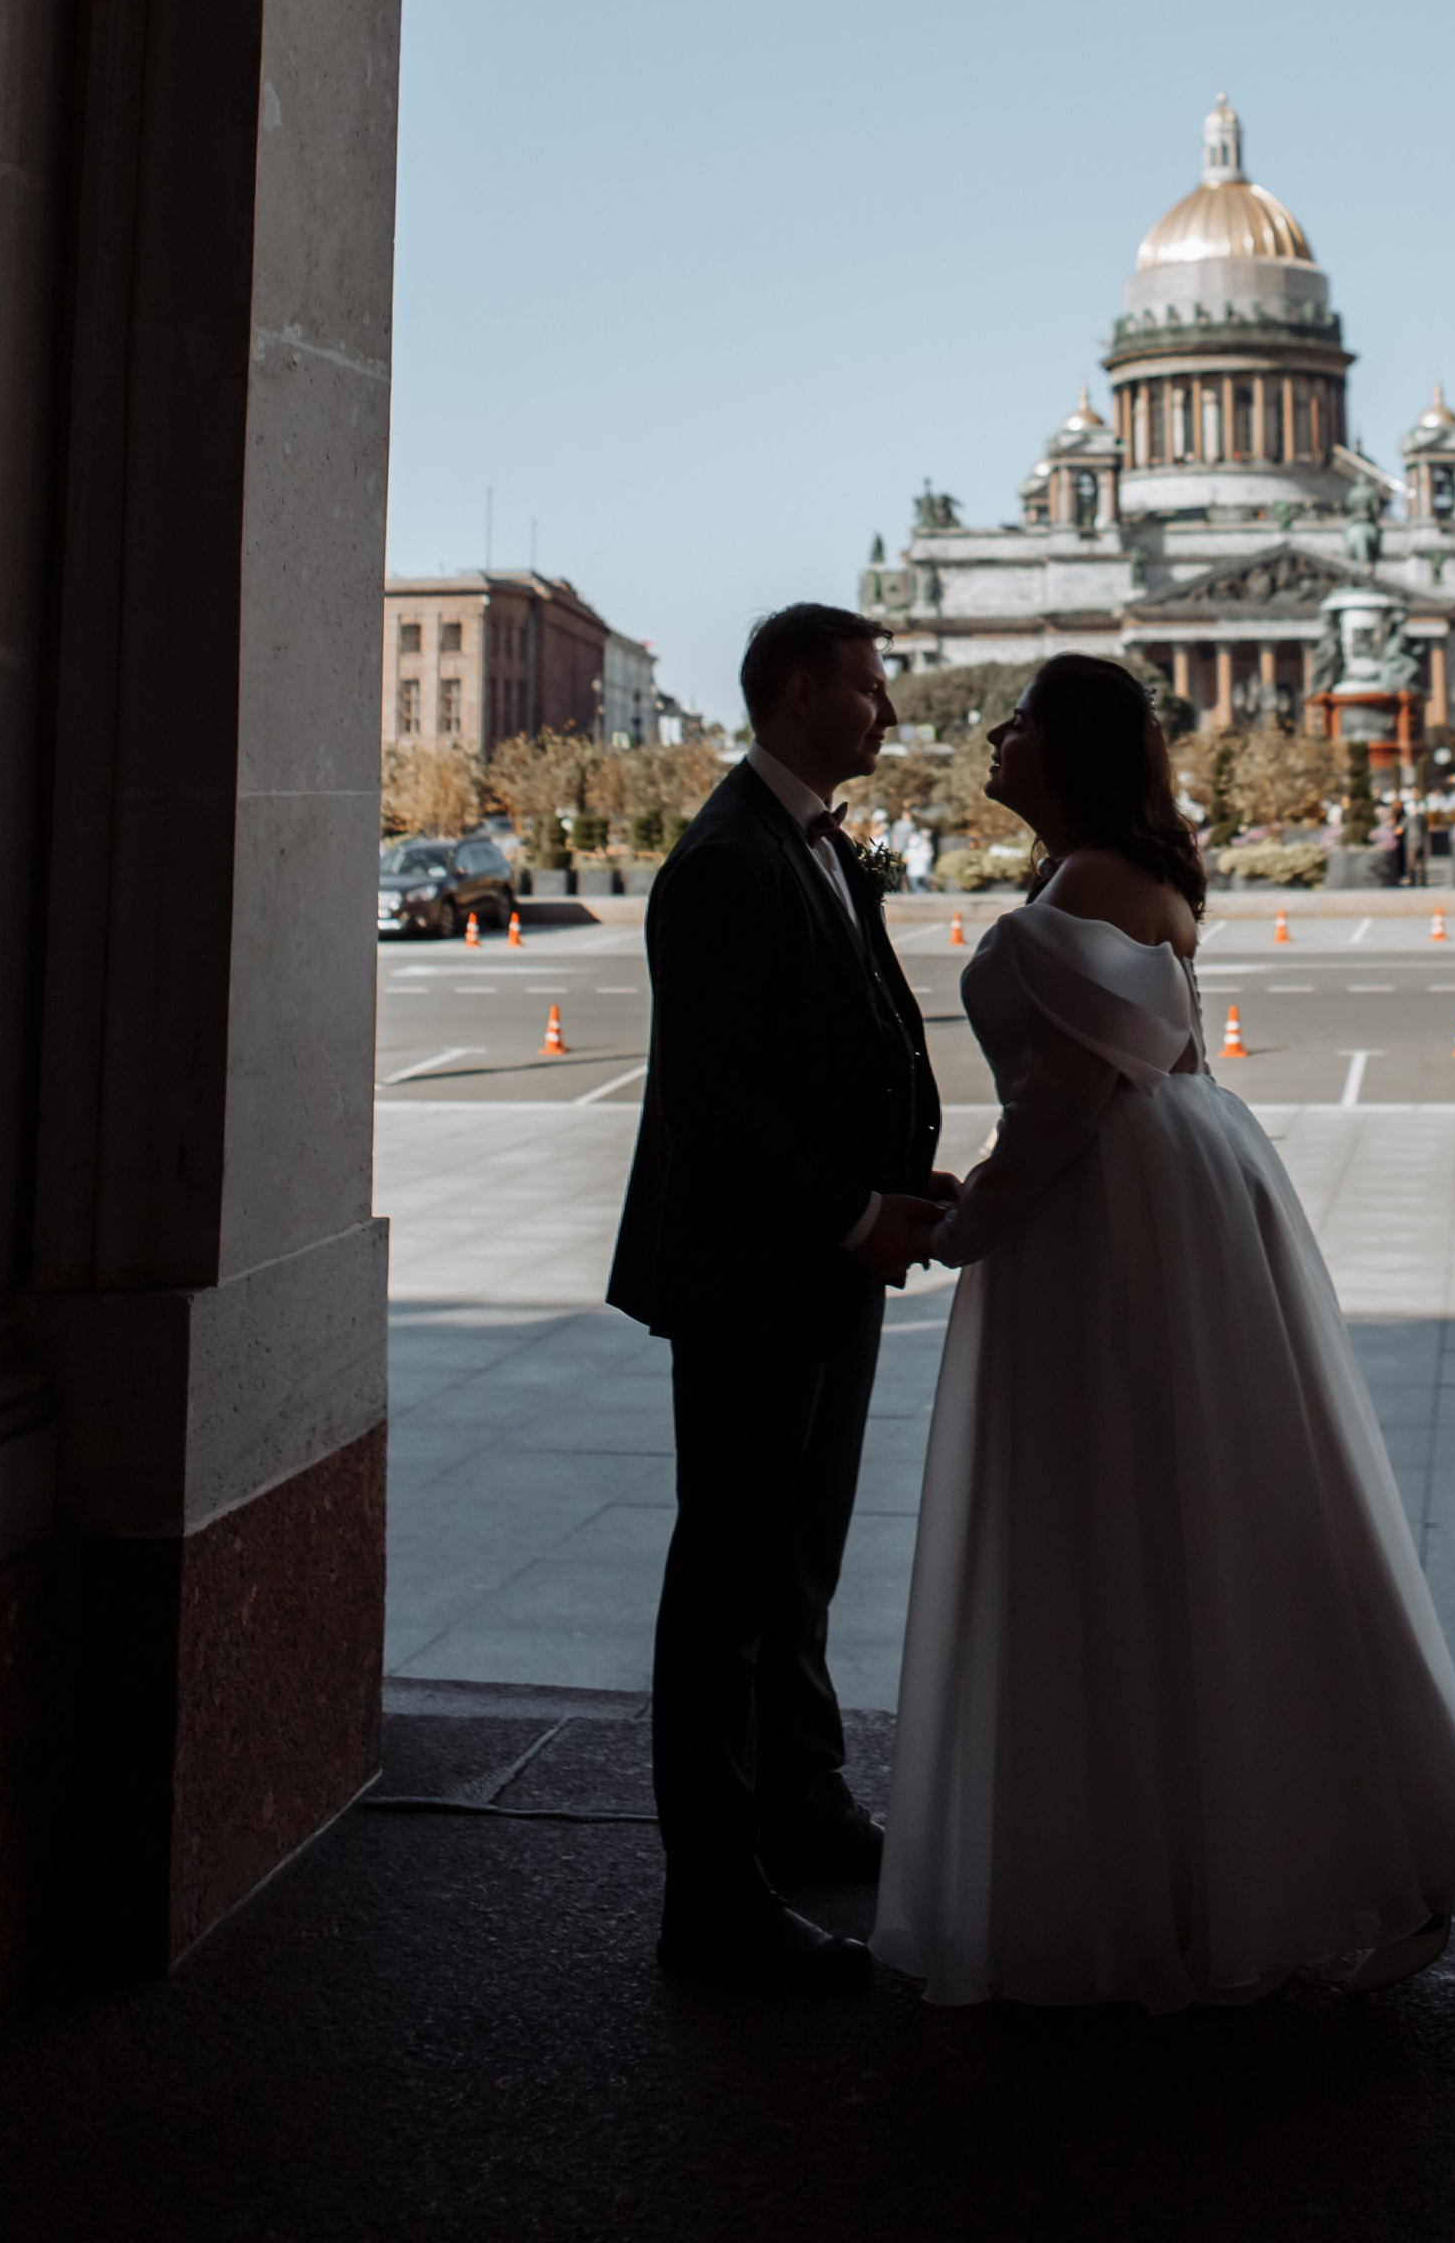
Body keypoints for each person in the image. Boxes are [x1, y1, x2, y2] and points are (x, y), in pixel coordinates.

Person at [873, 654, 1455, 2010]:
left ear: (1075, 753)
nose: (995, 738)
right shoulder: (1118, 872)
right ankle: (1229, 1865)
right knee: (1198, 1529)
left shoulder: (1091, 882)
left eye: (1025, 723)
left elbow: (1064, 1110)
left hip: (1110, 1226)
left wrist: (961, 1226)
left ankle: (1182, 1877)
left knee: (1115, 1529)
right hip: (1164, 1206)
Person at [607, 603, 951, 1995]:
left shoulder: (805, 842)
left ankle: (801, 1803)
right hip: (760, 1272)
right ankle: (715, 1890)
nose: (887, 712)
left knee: (796, 1558)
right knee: (729, 1581)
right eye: (869, 690)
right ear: (802, 692)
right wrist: (861, 1211)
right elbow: (717, 1099)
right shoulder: (730, 859)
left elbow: (840, 1044)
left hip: (828, 1266)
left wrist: (901, 1184)